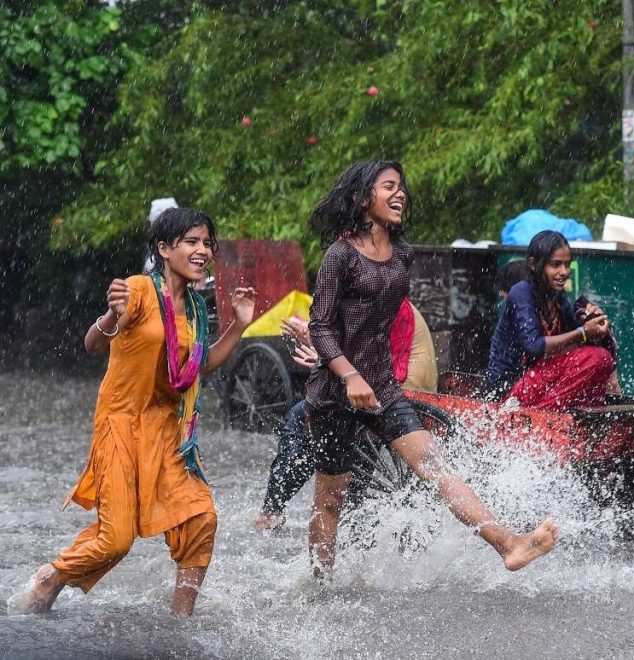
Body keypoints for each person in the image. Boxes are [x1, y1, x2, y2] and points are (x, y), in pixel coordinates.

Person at [304, 159, 558, 579]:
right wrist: (350, 376)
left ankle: (508, 545)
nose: (400, 193)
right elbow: (321, 326)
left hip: (383, 389)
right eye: (389, 187)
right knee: (330, 499)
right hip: (334, 393)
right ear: (363, 198)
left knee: (437, 466)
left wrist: (378, 375)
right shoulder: (340, 256)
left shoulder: (402, 254)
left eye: (401, 187)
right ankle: (318, 583)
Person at [8, 208, 256, 616]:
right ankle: (53, 575)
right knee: (116, 540)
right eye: (191, 242)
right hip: (120, 423)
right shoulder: (140, 290)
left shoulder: (195, 308)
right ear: (164, 248)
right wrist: (111, 314)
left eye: (207, 243)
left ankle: (181, 623)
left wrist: (239, 326)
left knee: (200, 518)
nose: (202, 251)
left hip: (167, 431)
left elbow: (199, 367)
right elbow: (92, 344)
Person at [252, 300, 437, 531]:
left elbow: (384, 371)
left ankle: (273, 507)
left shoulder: (388, 303)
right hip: (394, 390)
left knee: (304, 415)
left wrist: (324, 361)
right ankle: (349, 511)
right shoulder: (377, 298)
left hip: (401, 391)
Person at [485, 230, 617, 410]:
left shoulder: (559, 298)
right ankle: (545, 416)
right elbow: (534, 346)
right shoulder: (521, 292)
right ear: (534, 264)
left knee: (602, 358)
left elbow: (581, 341)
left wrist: (594, 322)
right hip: (509, 391)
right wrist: (584, 332)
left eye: (567, 265)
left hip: (538, 382)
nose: (564, 272)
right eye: (555, 265)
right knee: (595, 358)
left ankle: (577, 416)